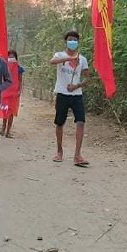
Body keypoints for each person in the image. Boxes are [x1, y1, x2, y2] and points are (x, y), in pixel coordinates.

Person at [50, 30, 90, 167]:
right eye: (70, 39)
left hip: (76, 95)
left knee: (80, 122)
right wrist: (69, 59)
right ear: (66, 41)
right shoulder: (60, 55)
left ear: (78, 42)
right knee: (59, 123)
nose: (72, 42)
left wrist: (77, 85)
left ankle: (77, 155)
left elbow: (87, 77)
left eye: (75, 40)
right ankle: (59, 151)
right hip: (62, 93)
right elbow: (52, 62)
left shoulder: (82, 59)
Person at [0, 49, 25, 138]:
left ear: (16, 58)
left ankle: (8, 131)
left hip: (14, 93)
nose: (11, 58)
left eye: (13, 56)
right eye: (9, 56)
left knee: (11, 112)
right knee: (5, 110)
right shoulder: (4, 67)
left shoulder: (19, 68)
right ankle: (3, 128)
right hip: (5, 92)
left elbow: (20, 80)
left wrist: (19, 91)